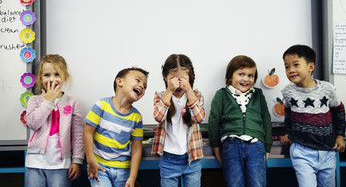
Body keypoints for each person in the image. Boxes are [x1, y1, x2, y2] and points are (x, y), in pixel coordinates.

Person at [280, 44, 346, 187]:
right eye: (286, 67)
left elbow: (338, 110)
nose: (290, 70)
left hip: (328, 151)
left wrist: (340, 135)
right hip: (301, 151)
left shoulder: (327, 88)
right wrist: (287, 132)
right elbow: (289, 113)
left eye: (296, 65)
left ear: (310, 67)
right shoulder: (287, 91)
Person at [208, 55, 272, 187]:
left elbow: (266, 120)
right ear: (230, 77)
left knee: (258, 184)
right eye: (241, 74)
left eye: (250, 75)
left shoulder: (258, 95)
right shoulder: (221, 95)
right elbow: (213, 121)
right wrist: (216, 149)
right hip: (231, 146)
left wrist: (267, 148)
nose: (246, 79)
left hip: (256, 147)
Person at [25, 54, 85, 187]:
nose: (52, 79)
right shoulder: (34, 100)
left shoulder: (72, 103)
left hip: (61, 165)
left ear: (65, 77)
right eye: (47, 75)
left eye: (57, 74)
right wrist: (48, 101)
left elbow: (78, 135)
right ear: (40, 78)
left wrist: (77, 161)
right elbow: (33, 123)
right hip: (35, 163)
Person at [83, 67, 148, 187]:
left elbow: (137, 149)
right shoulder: (101, 105)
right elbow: (87, 132)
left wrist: (132, 178)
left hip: (122, 170)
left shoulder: (137, 117)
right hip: (99, 167)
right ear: (119, 82)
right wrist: (90, 160)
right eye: (138, 80)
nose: (142, 86)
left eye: (145, 86)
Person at [152, 54, 205, 187]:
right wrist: (169, 91)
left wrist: (189, 91)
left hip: (192, 158)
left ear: (190, 78)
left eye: (182, 79)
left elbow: (199, 118)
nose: (178, 84)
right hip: (169, 159)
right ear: (165, 78)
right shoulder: (160, 96)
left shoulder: (196, 95)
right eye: (173, 79)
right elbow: (158, 117)